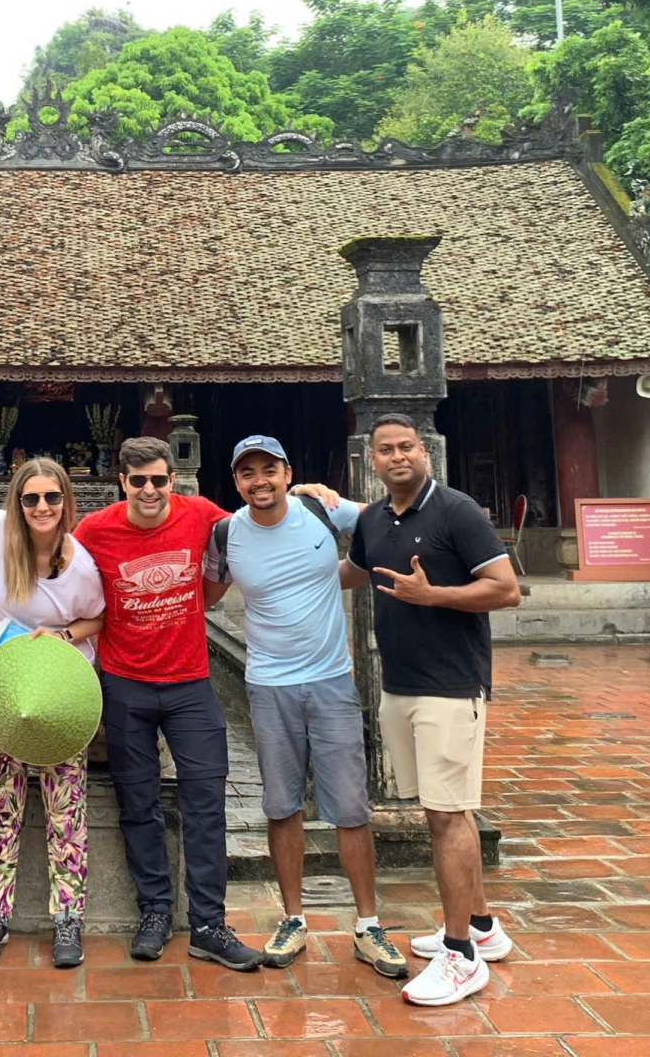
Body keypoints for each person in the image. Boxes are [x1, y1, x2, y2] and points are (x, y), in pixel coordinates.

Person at [205, 436, 407, 978]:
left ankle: (368, 925)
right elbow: (204, 597)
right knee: (280, 804)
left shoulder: (322, 509)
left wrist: (351, 569)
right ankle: (293, 918)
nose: (259, 481)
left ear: (288, 471)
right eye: (247, 473)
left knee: (350, 806)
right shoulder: (227, 534)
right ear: (236, 482)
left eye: (269, 469)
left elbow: (390, 521)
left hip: (330, 680)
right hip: (269, 685)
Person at [340, 413, 521, 1007]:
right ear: (372, 460)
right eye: (386, 449)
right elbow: (352, 571)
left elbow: (505, 588)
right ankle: (483, 927)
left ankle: (460, 954)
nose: (398, 457)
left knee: (448, 815)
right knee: (442, 811)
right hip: (401, 684)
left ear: (425, 452)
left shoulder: (457, 511)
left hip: (451, 685)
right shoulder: (370, 519)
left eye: (407, 447)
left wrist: (433, 595)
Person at [72, 436, 264, 972]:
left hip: (190, 684)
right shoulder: (95, 530)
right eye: (139, 482)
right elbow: (53, 566)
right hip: (125, 684)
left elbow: (254, 526)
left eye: (159, 480)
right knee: (139, 804)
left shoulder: (200, 514)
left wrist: (314, 499)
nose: (150, 490)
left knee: (207, 804)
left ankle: (208, 924)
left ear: (171, 480)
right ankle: (154, 911)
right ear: (122, 483)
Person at [0, 459, 105, 969]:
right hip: (2, 695)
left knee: (65, 808)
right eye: (31, 499)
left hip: (60, 700)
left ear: (66, 502)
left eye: (51, 498)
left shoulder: (81, 565)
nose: (41, 508)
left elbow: (98, 616)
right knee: (0, 805)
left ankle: (68, 918)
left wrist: (64, 636)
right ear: (16, 504)